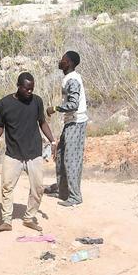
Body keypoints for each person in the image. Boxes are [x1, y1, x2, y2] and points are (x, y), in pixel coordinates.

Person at [0, 72, 57, 232]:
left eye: (32, 89)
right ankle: (6, 221)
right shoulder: (5, 103)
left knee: (38, 188)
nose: (30, 92)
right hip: (13, 154)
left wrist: (52, 140)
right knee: (7, 187)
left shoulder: (37, 101)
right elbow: (0, 125)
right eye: (27, 89)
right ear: (19, 86)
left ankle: (28, 218)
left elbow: (42, 122)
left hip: (34, 153)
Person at [46, 50, 89, 206]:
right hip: (71, 122)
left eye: (63, 59)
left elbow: (73, 104)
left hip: (76, 122)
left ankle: (75, 196)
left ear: (69, 62)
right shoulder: (69, 78)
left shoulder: (72, 80)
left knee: (71, 159)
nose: (60, 61)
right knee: (61, 155)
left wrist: (55, 109)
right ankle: (63, 191)